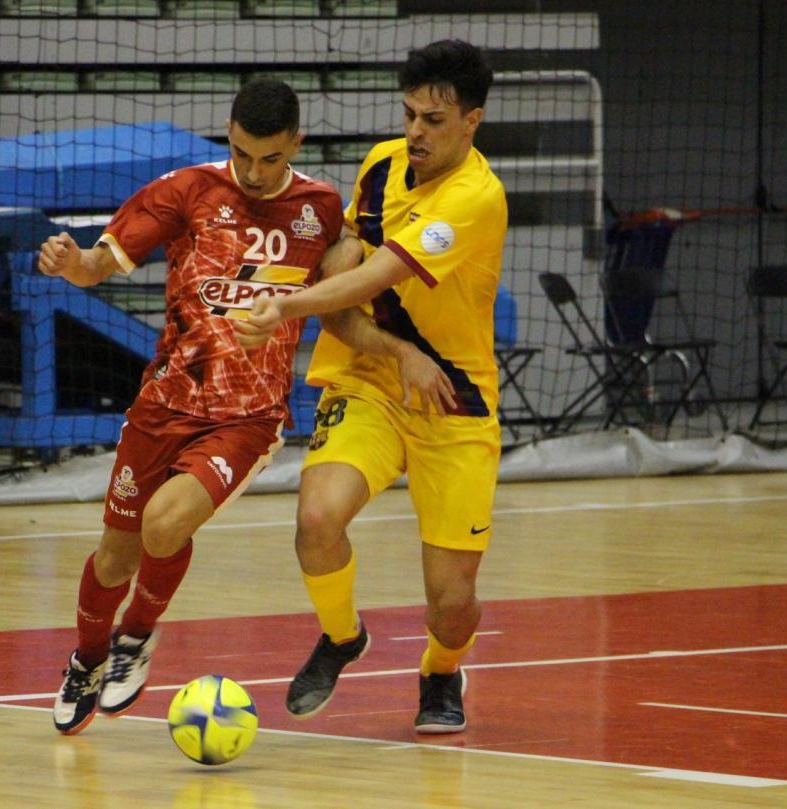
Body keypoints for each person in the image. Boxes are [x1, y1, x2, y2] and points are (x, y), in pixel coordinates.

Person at [37, 78, 345, 735]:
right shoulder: (187, 190)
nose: (254, 173)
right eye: (242, 154)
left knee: (164, 524)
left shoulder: (321, 209)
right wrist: (69, 261)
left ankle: (135, 636)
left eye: (270, 158)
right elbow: (94, 267)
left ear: (296, 143)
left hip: (247, 416)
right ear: (228, 133)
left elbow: (348, 278)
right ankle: (87, 659)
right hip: (164, 404)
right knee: (115, 556)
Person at [234, 40, 507, 733]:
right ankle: (341, 635)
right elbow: (352, 261)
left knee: (453, 603)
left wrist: (284, 305)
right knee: (317, 520)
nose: (415, 131)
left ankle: (441, 670)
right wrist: (340, 258)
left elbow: (381, 275)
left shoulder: (475, 197)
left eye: (433, 120)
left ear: (471, 121)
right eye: (409, 114)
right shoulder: (382, 165)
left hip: (453, 400)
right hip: (369, 382)